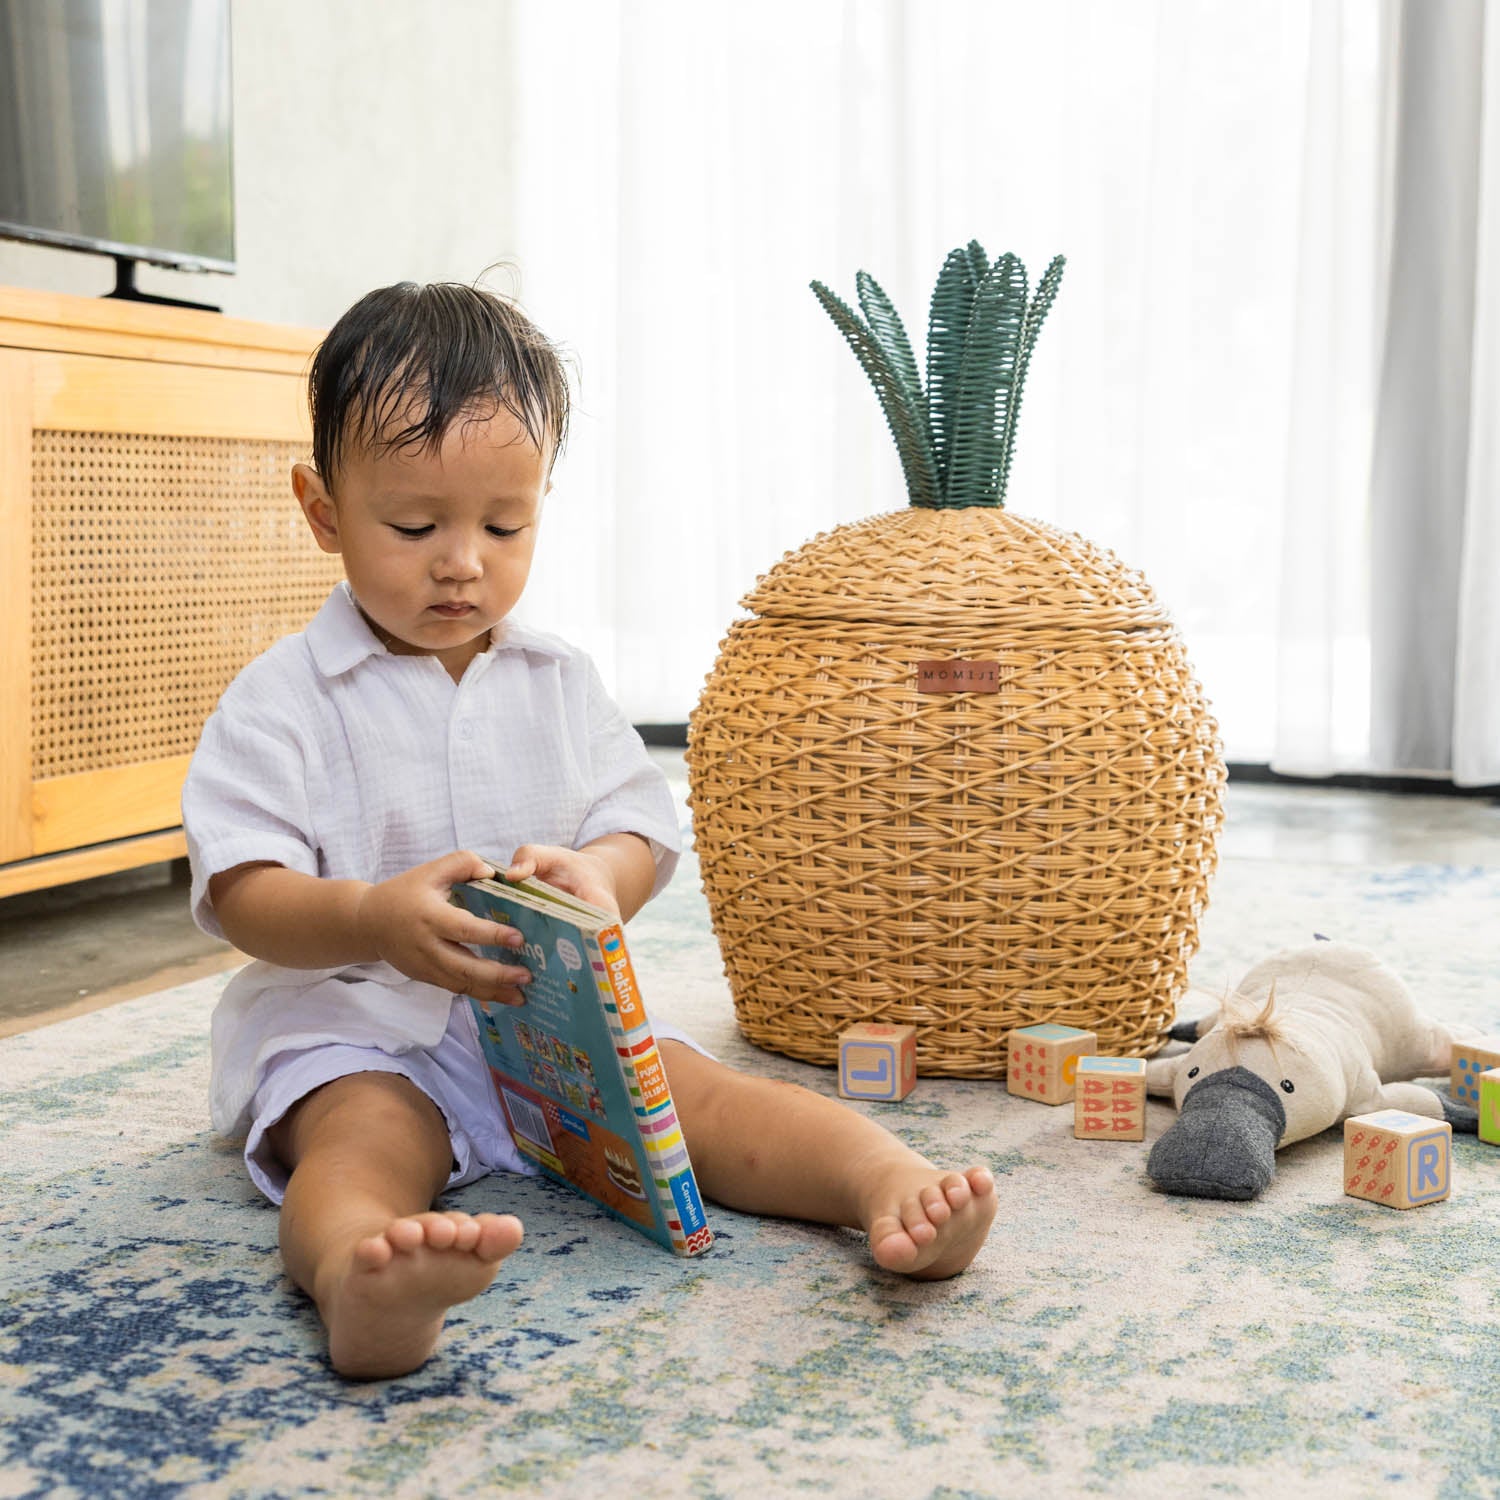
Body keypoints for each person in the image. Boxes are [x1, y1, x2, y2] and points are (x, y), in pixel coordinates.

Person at [182, 280, 997, 1381]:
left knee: (705, 1100)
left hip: (548, 1030)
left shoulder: (557, 678)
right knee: (363, 1145)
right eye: (414, 525)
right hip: (359, 1033)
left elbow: (636, 820)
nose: (461, 559)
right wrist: (370, 916)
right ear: (324, 511)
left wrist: (603, 878)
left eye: (503, 524)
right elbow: (243, 888)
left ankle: (883, 1183)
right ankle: (364, 1277)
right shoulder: (284, 697)